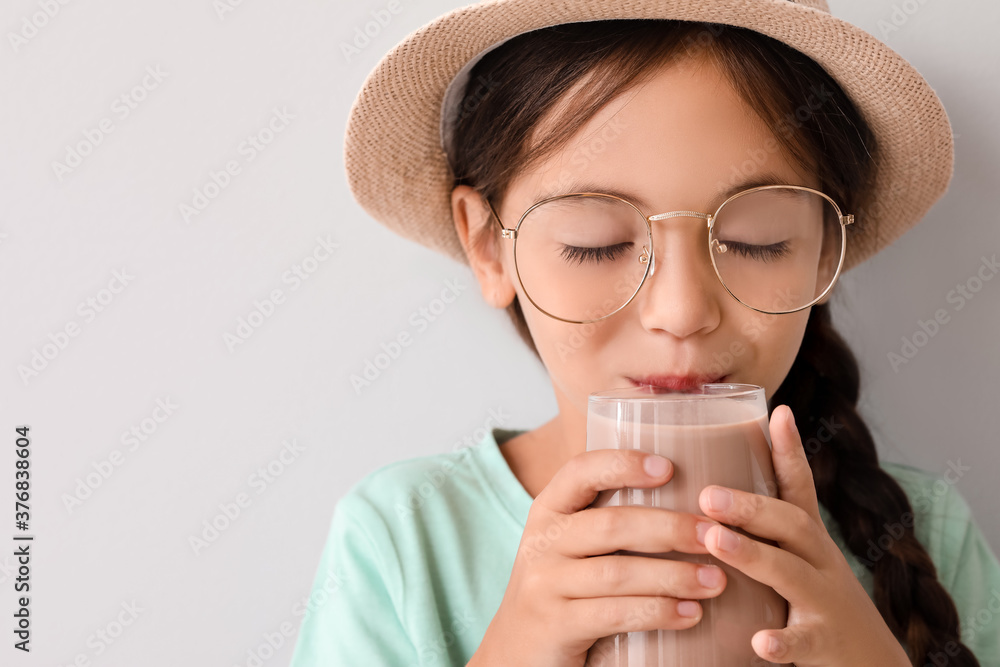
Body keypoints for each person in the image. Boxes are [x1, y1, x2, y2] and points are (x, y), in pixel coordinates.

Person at [291, 1, 1000, 665]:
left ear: (820, 248)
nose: (683, 310)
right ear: (488, 246)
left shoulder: (924, 535)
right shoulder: (404, 537)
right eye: (596, 243)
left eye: (756, 240)